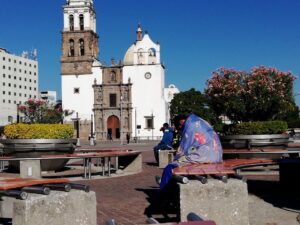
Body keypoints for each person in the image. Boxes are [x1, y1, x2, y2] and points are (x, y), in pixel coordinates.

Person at [159, 113, 223, 190]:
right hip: (216, 156)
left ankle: (163, 193)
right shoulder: (198, 121)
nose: (181, 131)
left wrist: (176, 157)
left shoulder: (189, 127)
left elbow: (184, 149)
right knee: (185, 162)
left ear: (181, 124)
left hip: (204, 157)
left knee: (169, 167)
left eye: (180, 129)